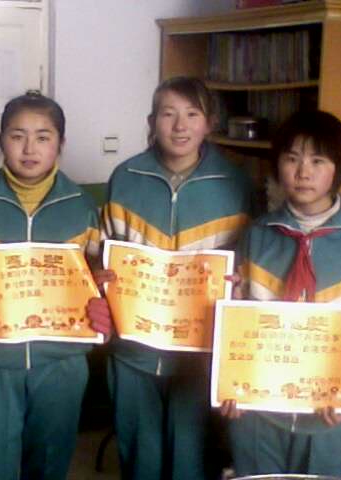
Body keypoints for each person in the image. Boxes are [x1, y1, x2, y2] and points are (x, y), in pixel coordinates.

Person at [220, 110, 341, 477]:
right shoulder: (257, 235)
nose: (303, 172)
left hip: (330, 420)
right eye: (292, 158)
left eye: (317, 161)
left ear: (337, 169)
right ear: (278, 164)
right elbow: (232, 321)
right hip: (258, 416)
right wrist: (227, 383)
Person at [95, 76, 253, 480]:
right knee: (140, 459)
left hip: (199, 355)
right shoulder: (126, 177)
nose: (180, 126)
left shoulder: (236, 184)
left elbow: (249, 265)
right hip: (134, 350)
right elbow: (103, 252)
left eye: (192, 114)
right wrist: (100, 276)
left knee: (191, 461)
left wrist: (240, 284)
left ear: (209, 122)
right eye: (168, 114)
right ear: (152, 121)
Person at [0, 90, 104, 480]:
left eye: (43, 137)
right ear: (1, 140)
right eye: (17, 136)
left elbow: (98, 275)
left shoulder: (82, 206)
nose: (29, 148)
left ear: (60, 144)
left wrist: (102, 293)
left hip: (61, 359)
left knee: (50, 460)